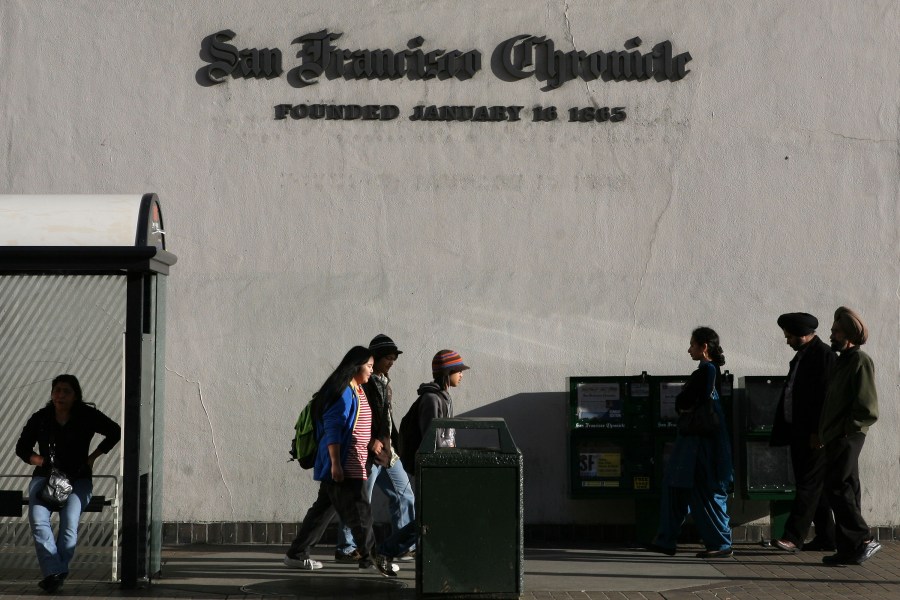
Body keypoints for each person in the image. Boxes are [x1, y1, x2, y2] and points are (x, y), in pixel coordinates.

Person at [282, 346, 395, 577]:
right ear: (356, 366)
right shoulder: (343, 392)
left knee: (323, 511)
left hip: (353, 462)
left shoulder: (357, 389)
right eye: (369, 366)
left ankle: (296, 553)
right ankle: (372, 557)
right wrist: (335, 464)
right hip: (345, 464)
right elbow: (333, 430)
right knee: (361, 512)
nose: (372, 371)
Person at [15, 374, 121, 593]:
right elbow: (22, 448)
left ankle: (55, 572)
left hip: (77, 478)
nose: (60, 395)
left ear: (75, 396)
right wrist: (41, 461)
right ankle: (56, 571)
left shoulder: (87, 415)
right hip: (45, 478)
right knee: (37, 519)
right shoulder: (41, 417)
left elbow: (115, 431)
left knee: (69, 523)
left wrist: (92, 458)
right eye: (57, 390)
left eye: (66, 391)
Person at [648, 327, 733, 558]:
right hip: (695, 442)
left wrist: (681, 402)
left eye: (693, 345)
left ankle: (720, 543)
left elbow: (687, 400)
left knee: (703, 489)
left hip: (700, 444)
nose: (689, 350)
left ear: (704, 347)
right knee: (676, 486)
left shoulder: (707, 371)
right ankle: (666, 539)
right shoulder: (709, 372)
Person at [335, 334, 416, 563]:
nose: (391, 362)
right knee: (360, 499)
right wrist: (371, 439)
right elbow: (356, 416)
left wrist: (392, 442)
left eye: (393, 358)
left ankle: (400, 545)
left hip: (387, 451)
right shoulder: (362, 382)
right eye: (387, 358)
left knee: (404, 494)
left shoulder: (384, 382)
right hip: (367, 452)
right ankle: (347, 547)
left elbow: (385, 417)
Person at [770, 313, 837, 553]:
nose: (786, 340)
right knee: (812, 485)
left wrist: (817, 432)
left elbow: (824, 399)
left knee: (808, 485)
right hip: (797, 432)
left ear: (801, 333)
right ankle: (827, 537)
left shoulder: (824, 356)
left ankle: (793, 536)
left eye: (789, 335)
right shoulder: (802, 356)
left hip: (814, 435)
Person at [819, 307, 880, 566]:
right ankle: (848, 549)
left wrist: (846, 429)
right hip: (836, 435)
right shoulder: (841, 362)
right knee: (847, 488)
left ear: (850, 334)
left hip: (849, 435)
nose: (831, 335)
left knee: (837, 486)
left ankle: (865, 538)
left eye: (836, 331)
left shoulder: (859, 361)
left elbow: (868, 407)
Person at [416, 349, 470, 451]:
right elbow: (430, 438)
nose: (461, 375)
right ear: (447, 372)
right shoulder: (432, 399)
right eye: (459, 371)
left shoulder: (446, 396)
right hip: (434, 461)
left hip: (445, 457)